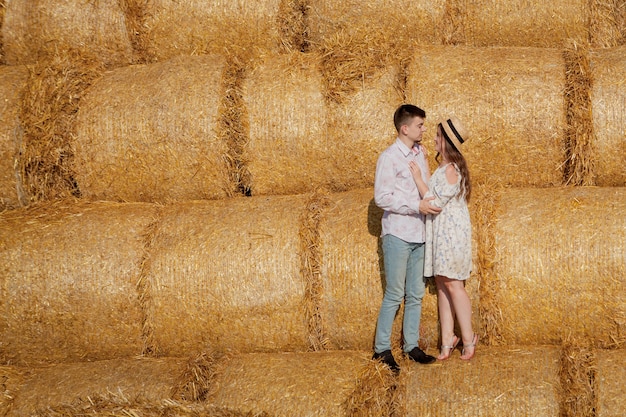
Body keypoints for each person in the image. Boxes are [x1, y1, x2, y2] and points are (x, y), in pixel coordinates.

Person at [372, 104, 442, 372]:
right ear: (405, 128)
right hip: (399, 234)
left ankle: (410, 346)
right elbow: (383, 197)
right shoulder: (389, 158)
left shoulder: (419, 154)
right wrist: (416, 207)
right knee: (394, 294)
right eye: (420, 125)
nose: (424, 129)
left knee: (415, 294)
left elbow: (426, 189)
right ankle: (381, 349)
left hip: (419, 234)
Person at [408, 115, 477, 361]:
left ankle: (468, 339)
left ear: (447, 142)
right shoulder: (441, 169)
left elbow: (435, 203)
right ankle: (448, 340)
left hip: (451, 236)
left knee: (454, 285)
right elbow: (433, 195)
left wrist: (417, 179)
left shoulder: (450, 170)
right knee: (442, 285)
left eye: (438, 136)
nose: (434, 139)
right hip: (440, 234)